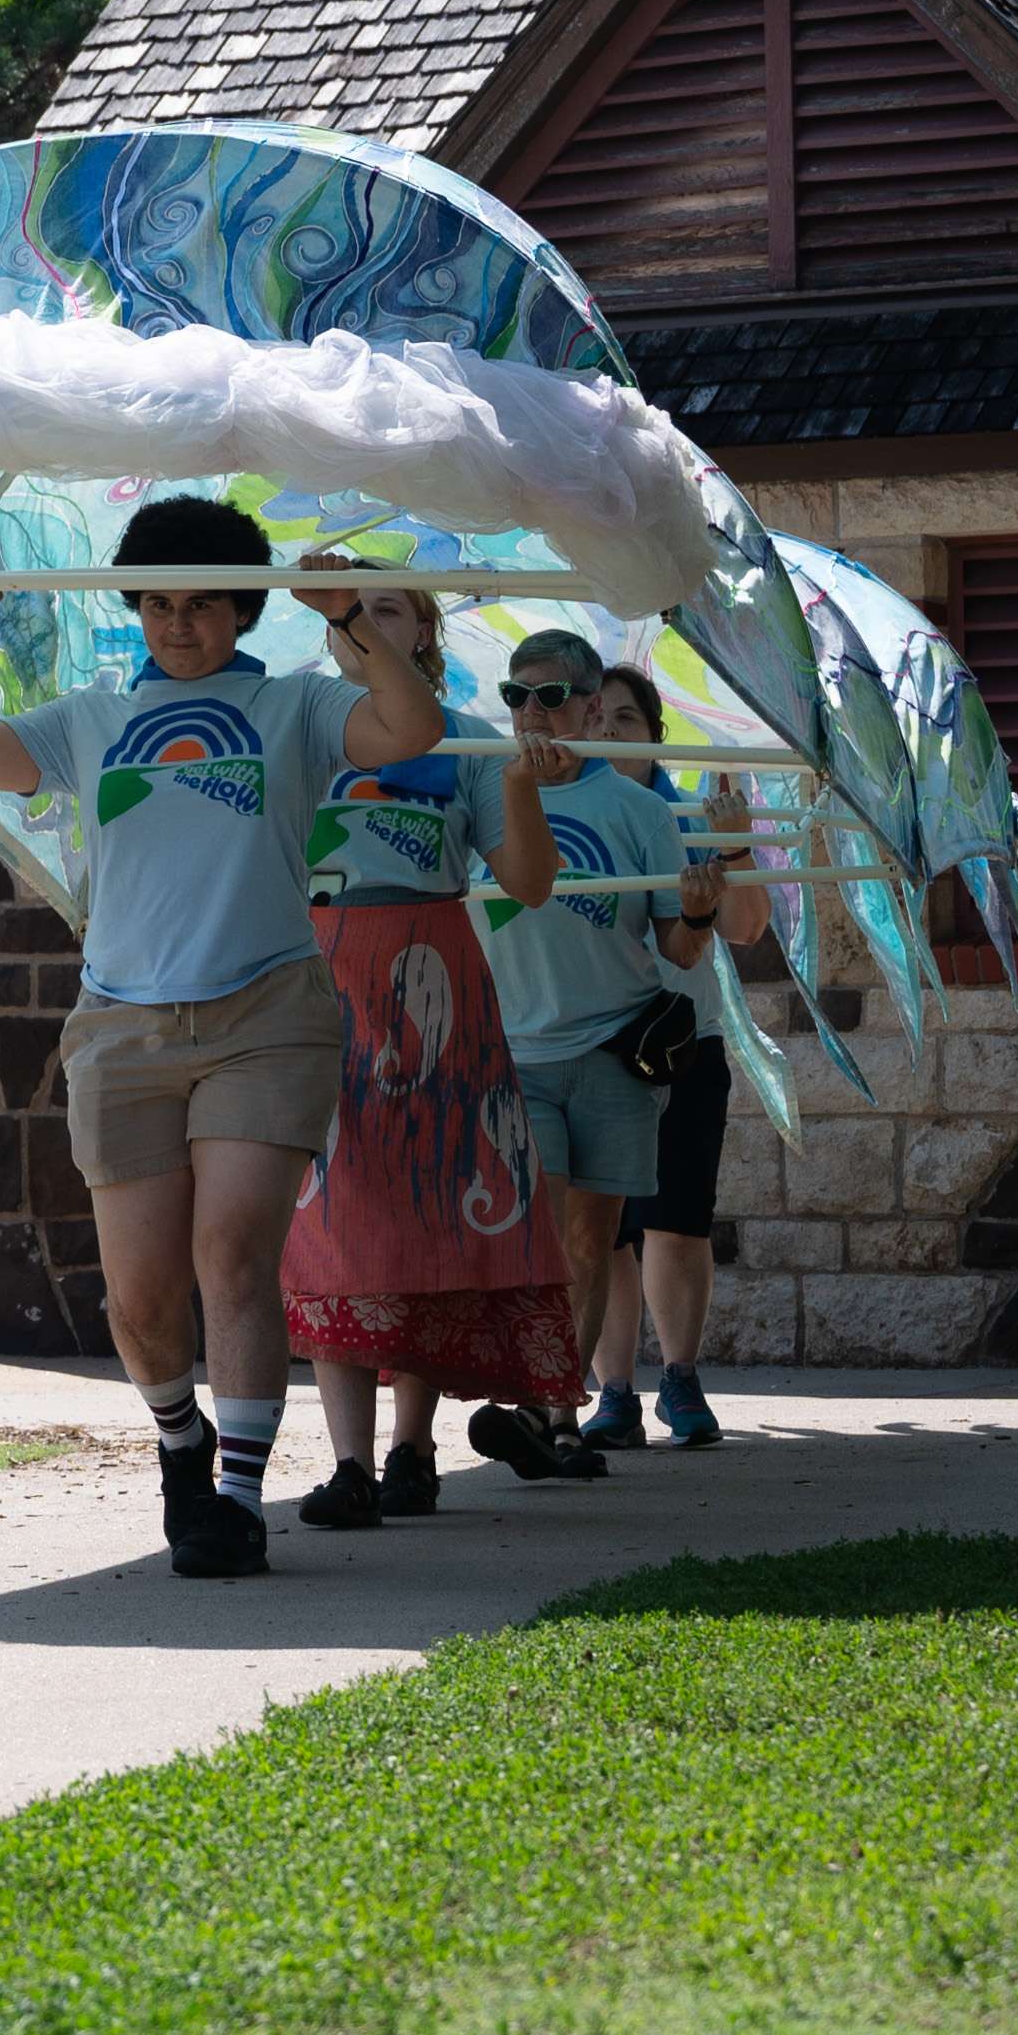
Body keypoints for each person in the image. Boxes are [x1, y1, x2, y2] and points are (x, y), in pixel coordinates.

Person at [0, 499, 447, 1581]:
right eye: (158, 600)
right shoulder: (93, 717)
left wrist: (351, 615)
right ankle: (182, 1444)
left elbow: (413, 729)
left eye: (202, 599)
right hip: (121, 1023)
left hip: (268, 1015)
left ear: (243, 604)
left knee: (235, 1253)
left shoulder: (297, 704)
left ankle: (238, 1500)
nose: (178, 620)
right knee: (142, 1297)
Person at [278, 588, 580, 1528]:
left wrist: (522, 785)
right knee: (327, 1208)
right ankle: (347, 1463)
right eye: (349, 609)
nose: (364, 622)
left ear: (424, 633)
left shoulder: (471, 740)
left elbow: (529, 883)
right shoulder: (290, 719)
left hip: (432, 980)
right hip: (308, 969)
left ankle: (412, 1452)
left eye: (390, 609)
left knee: (428, 1203)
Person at [464, 629, 730, 1482]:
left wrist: (695, 914)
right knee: (543, 1229)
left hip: (616, 1049)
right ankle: (541, 1400)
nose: (530, 713)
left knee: (588, 1241)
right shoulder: (481, 790)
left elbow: (677, 955)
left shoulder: (641, 811)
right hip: (517, 1050)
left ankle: (554, 1412)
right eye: (515, 695)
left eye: (548, 696)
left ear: (586, 705)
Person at [583, 665, 751, 1452]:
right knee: (607, 1230)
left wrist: (736, 846)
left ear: (654, 731)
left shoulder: (689, 813)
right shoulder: (558, 815)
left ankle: (678, 1378)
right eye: (598, 717)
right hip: (590, 1044)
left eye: (625, 717)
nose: (611, 731)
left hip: (686, 1041)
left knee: (677, 1222)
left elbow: (746, 928)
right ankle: (611, 1390)